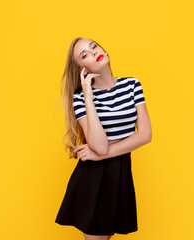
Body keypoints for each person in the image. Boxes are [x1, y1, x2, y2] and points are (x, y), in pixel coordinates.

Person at [54, 37, 152, 240]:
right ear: (83, 69)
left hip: (121, 173)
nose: (93, 52)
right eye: (84, 55)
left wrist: (102, 155)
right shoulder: (81, 98)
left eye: (94, 46)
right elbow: (98, 145)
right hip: (93, 178)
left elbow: (145, 135)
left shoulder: (132, 85)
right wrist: (89, 96)